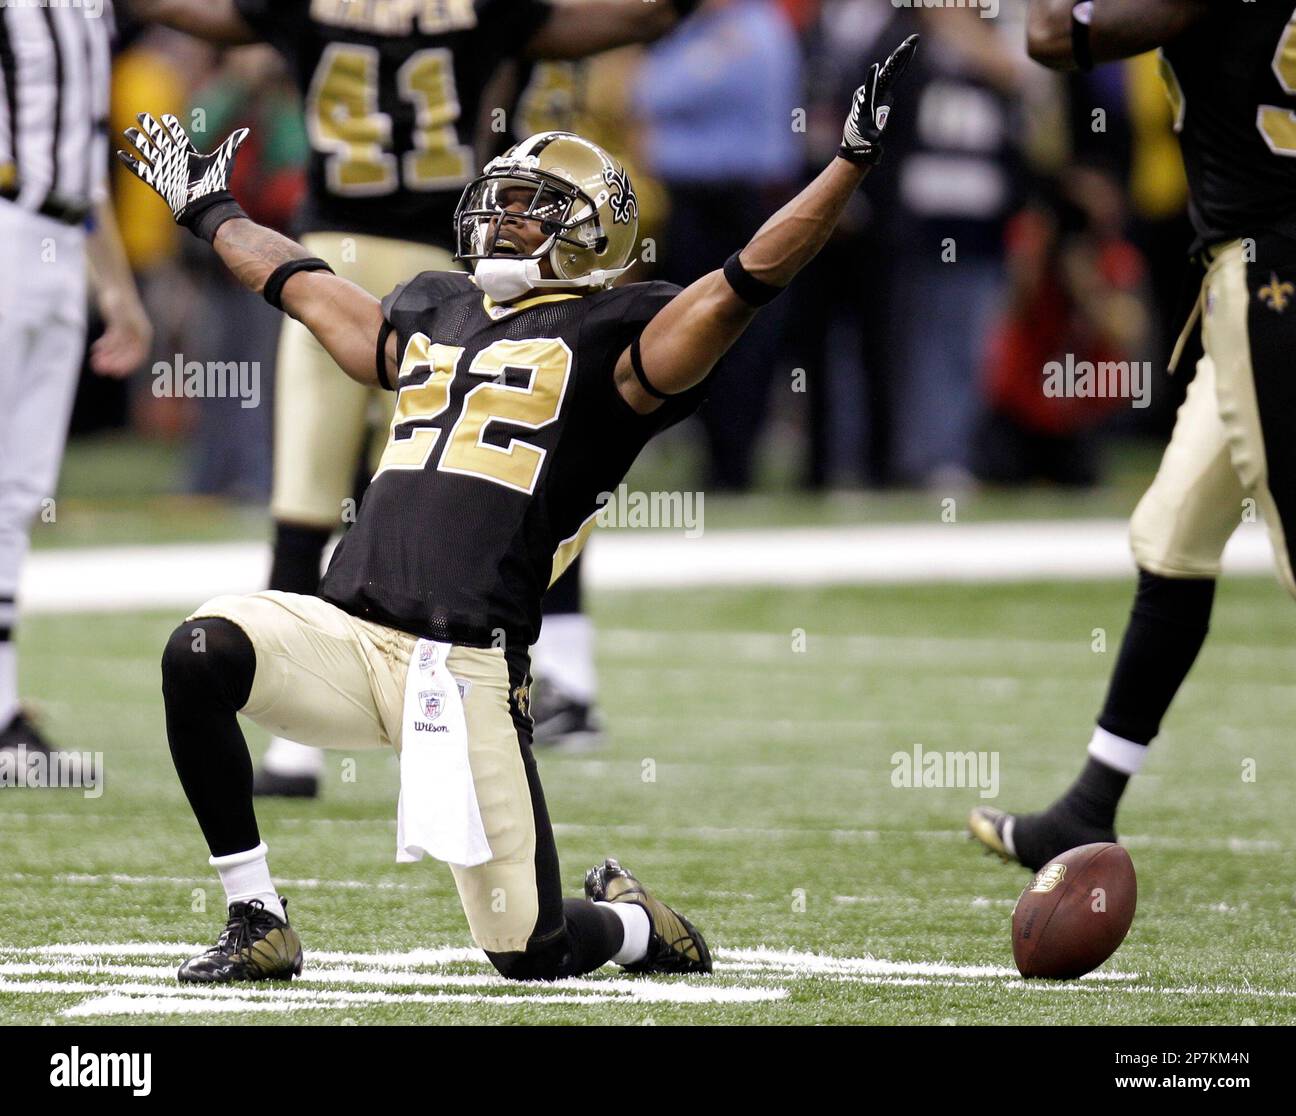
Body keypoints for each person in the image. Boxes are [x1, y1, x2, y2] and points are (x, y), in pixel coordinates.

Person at [120, 34, 920, 982]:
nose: (498, 222)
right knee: (199, 652)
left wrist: (847, 164)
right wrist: (210, 211)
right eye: (494, 203)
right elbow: (308, 287)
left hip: (468, 668)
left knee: (528, 951)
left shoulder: (621, 337)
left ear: (592, 233)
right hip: (347, 637)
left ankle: (633, 927)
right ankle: (257, 916)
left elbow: (748, 278)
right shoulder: (433, 307)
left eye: (528, 210)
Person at [131, 0, 705, 796]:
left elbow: (199, 16)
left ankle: (293, 746)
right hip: (444, 270)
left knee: (304, 502)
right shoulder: (477, 14)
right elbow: (641, 18)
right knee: (460, 475)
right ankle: (476, 705)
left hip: (328, 251)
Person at [969, 2, 1296, 878]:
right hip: (1257, 263)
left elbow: (1051, 37)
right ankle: (1087, 810)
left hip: (1274, 274)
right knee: (1175, 535)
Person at [0, 1, 151, 756]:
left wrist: (114, 287)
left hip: (60, 240)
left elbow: (84, 164)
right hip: (6, 227)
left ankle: (1, 710)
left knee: (19, 490)